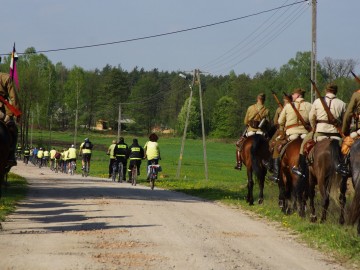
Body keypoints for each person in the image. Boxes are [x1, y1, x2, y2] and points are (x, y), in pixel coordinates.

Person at [292, 83, 347, 178]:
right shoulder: (342, 103)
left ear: (326, 91)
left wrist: (314, 128)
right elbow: (345, 121)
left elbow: (311, 117)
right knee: (347, 149)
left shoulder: (317, 101)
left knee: (303, 145)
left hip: (320, 133)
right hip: (336, 135)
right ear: (336, 91)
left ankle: (300, 167)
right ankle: (345, 167)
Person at [268, 88, 312, 182]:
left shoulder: (288, 106)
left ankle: (276, 174)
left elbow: (280, 121)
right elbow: (313, 120)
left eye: (294, 94)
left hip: (292, 134)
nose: (292, 96)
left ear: (299, 95)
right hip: (305, 135)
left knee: (277, 146)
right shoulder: (310, 105)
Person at [235, 93, 269, 170]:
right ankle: (267, 161)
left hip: (250, 131)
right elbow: (268, 123)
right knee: (269, 146)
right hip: (261, 132)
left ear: (257, 99)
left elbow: (245, 121)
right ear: (264, 100)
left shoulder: (250, 108)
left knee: (238, 145)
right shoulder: (266, 110)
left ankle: (239, 163)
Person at [0, 72, 20, 168]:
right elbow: (13, 97)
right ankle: (11, 156)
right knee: (13, 129)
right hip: (2, 110)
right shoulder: (6, 77)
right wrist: (17, 111)